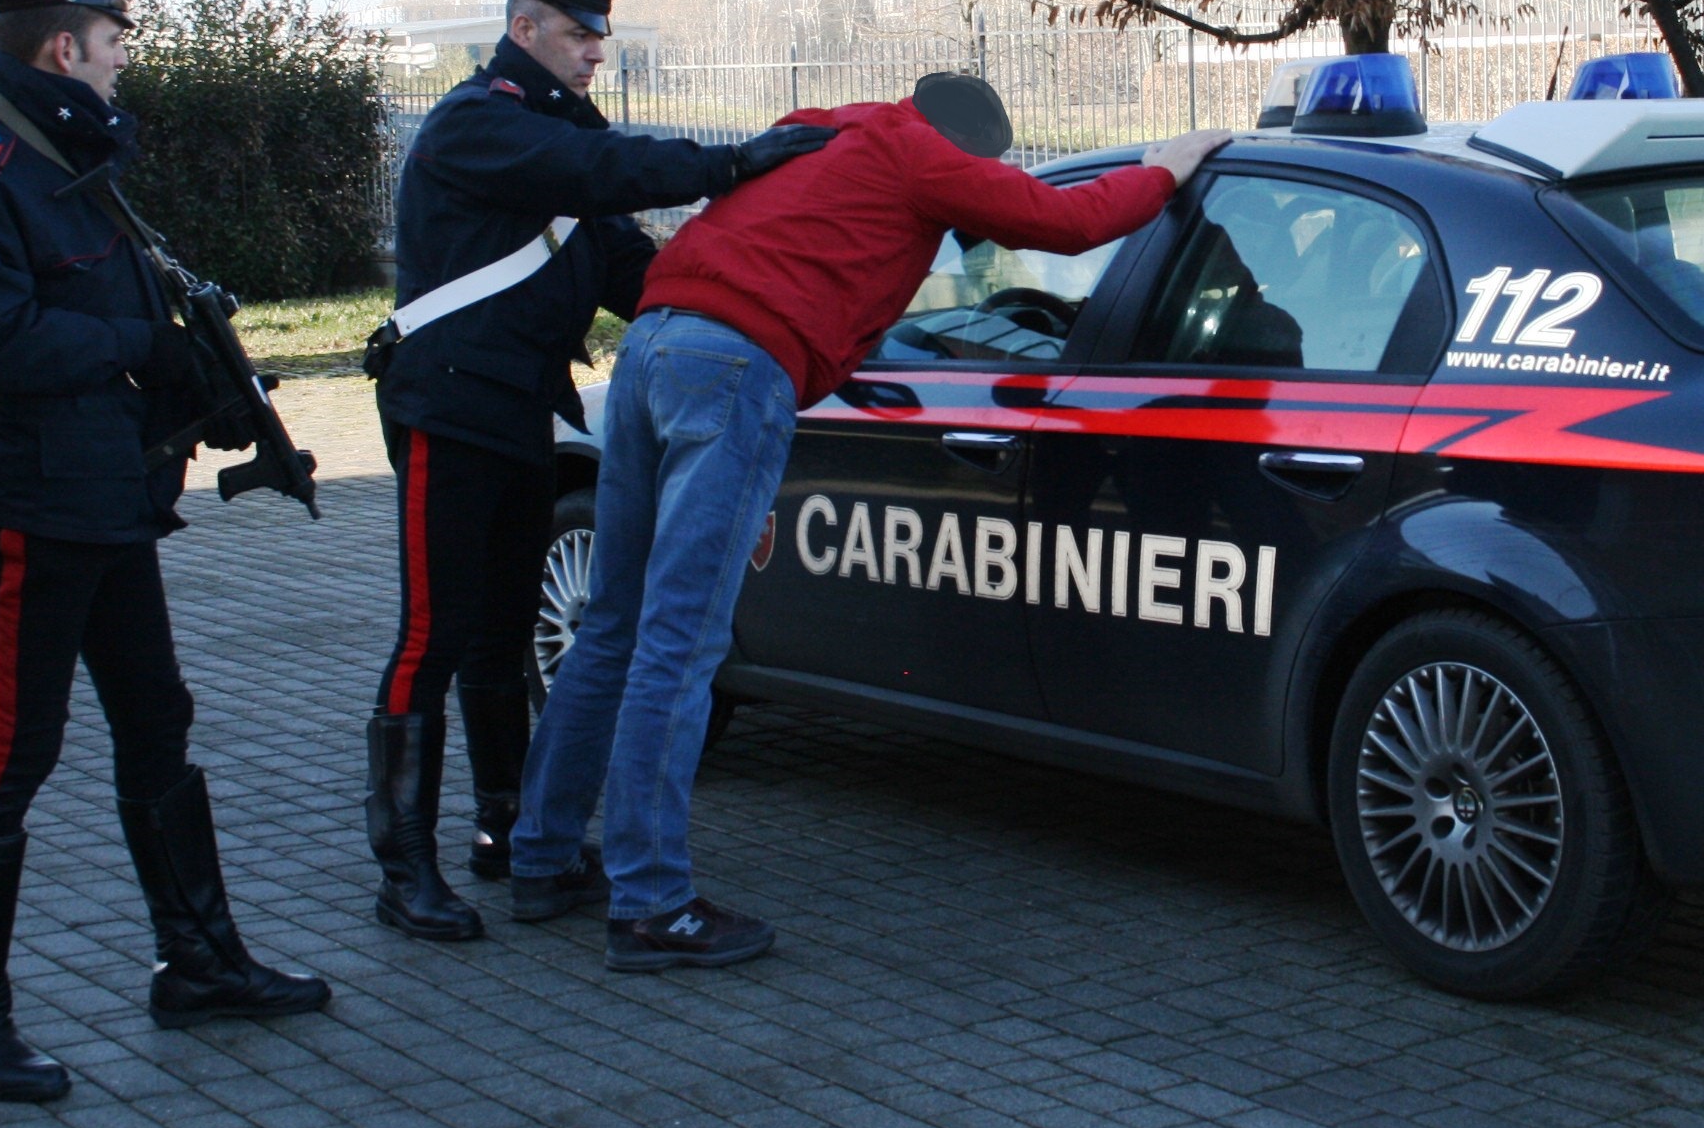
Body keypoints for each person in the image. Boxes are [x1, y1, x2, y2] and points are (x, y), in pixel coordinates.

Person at [510, 72, 1232, 969]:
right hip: (735, 368)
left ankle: (539, 857)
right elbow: (1068, 223)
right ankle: (651, 903)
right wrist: (1167, 168)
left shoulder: (820, 129)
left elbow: (798, 264)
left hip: (654, 346)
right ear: (966, 151)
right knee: (680, 642)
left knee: (615, 624)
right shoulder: (922, 156)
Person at [0, 0, 329, 1104]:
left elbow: (116, 311)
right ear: (59, 45)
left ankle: (199, 959)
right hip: (39, 501)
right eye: (108, 44)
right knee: (14, 745)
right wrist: (141, 346)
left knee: (157, 718)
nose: (119, 64)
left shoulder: (63, 160)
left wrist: (197, 388)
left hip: (106, 495)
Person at [365, 0, 834, 943]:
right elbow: (594, 171)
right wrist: (727, 162)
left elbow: (638, 271)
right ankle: (403, 866)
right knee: (433, 634)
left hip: (518, 413)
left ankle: (507, 829)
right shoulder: (480, 120)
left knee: (498, 635)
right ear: (524, 27)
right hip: (445, 410)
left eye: (598, 38)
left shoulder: (562, 136)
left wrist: (747, 308)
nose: (592, 54)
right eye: (578, 35)